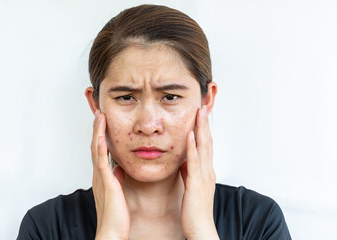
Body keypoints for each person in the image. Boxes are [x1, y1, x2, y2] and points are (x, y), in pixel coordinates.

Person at [17, 4, 291, 240]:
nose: (148, 125)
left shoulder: (258, 220)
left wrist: (202, 231)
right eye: (126, 97)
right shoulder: (45, 227)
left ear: (206, 101)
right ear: (95, 104)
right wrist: (109, 234)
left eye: (170, 96)